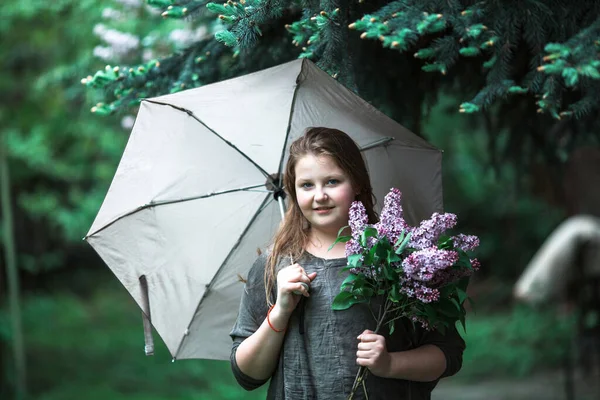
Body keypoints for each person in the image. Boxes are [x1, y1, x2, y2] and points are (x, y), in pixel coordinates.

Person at [230, 127, 465, 399]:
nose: (319, 196)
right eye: (307, 185)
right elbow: (246, 374)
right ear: (293, 192)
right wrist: (280, 311)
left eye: (332, 181)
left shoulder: (400, 258)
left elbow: (447, 353)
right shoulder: (276, 264)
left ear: (357, 183)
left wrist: (389, 364)